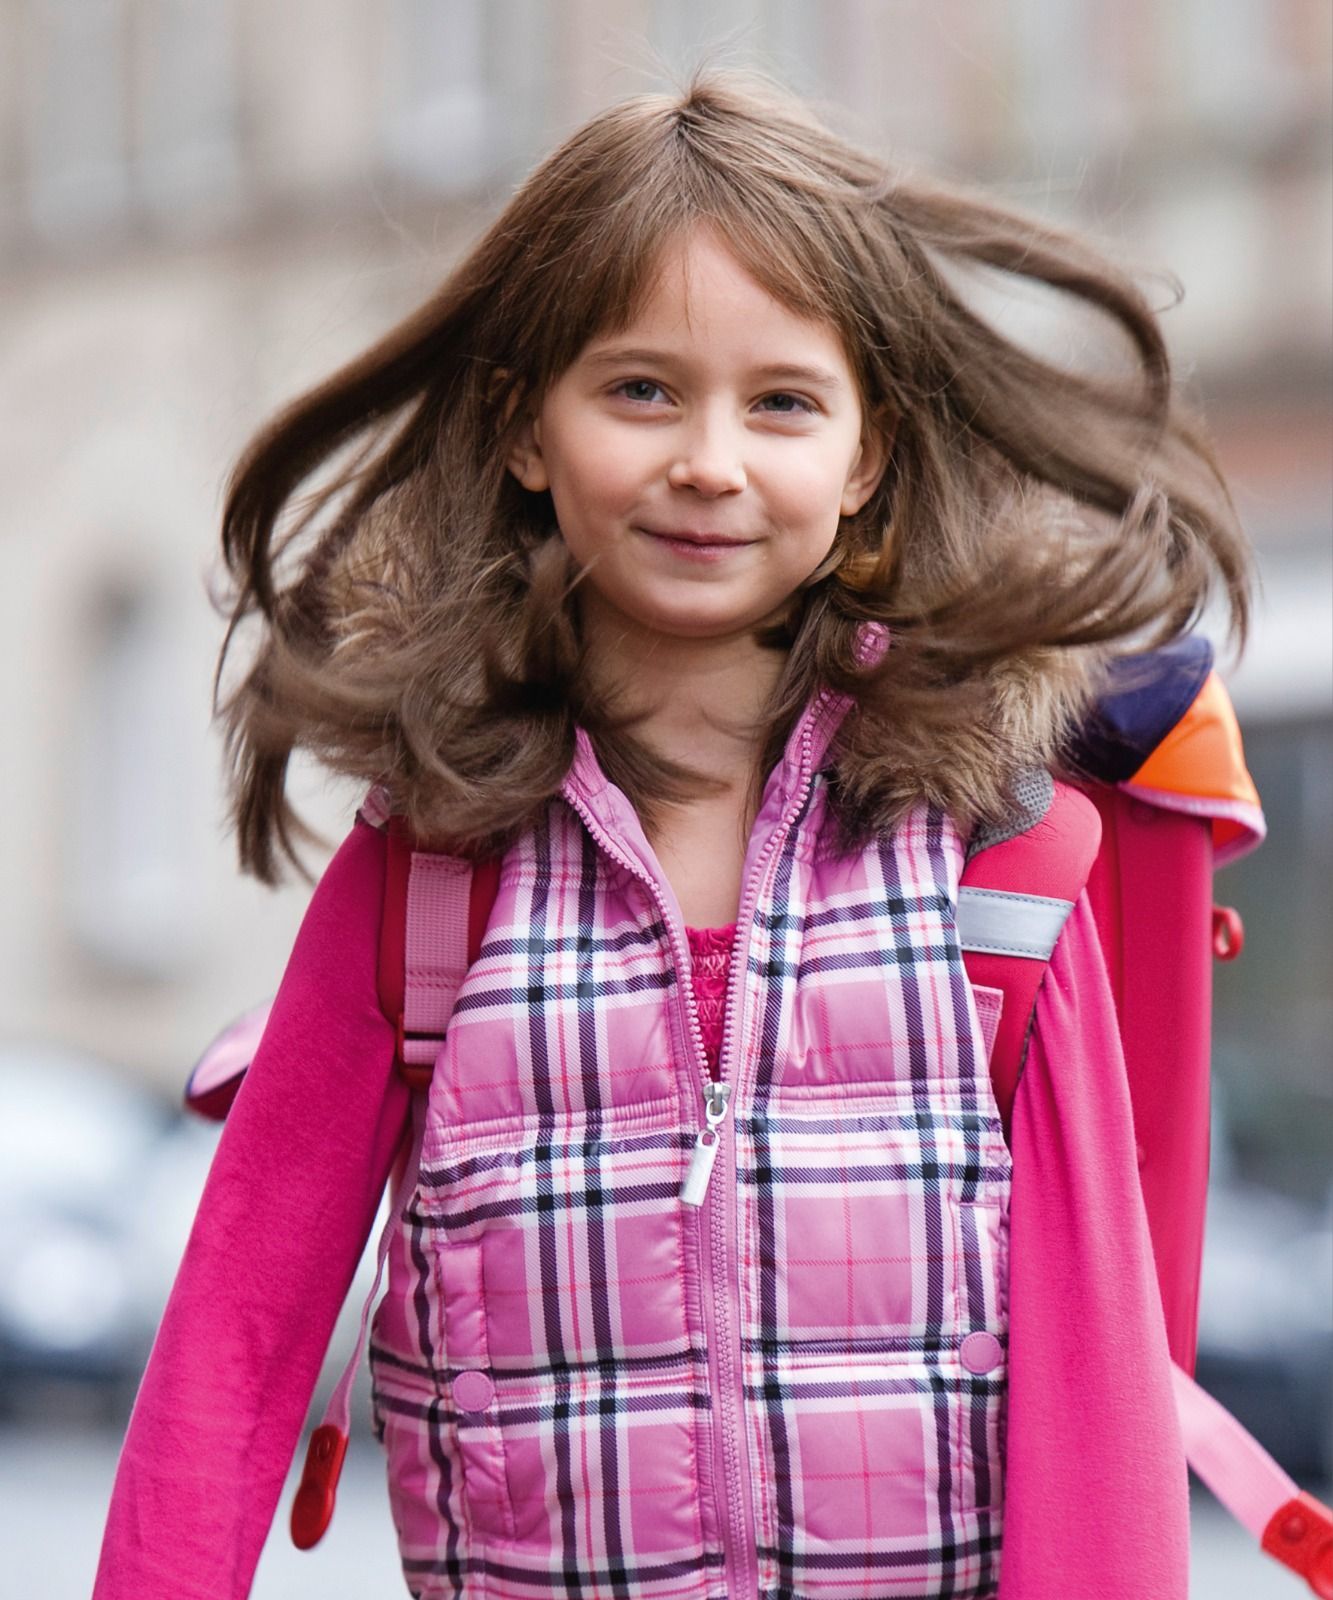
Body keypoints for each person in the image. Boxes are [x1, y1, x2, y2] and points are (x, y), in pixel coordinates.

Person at [94, 72, 1253, 1600]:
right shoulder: (428, 876)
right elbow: (232, 1349)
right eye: (641, 389)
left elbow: (1095, 1391)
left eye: (781, 403)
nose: (709, 460)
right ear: (525, 427)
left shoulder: (999, 865)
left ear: (863, 461)